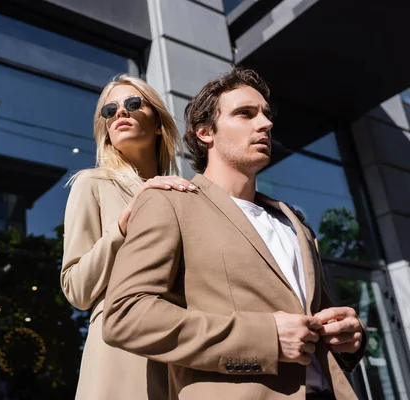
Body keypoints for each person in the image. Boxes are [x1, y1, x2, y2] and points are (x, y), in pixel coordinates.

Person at [102, 68, 367, 400]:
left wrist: (349, 338)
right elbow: (125, 315)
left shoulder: (294, 222)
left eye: (267, 116)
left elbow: (321, 322)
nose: (266, 124)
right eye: (245, 114)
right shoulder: (170, 203)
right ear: (205, 133)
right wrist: (264, 337)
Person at [61, 74, 195, 399]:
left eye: (133, 104)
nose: (120, 113)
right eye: (110, 110)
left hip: (183, 349)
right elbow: (76, 288)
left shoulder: (186, 194)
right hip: (119, 354)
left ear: (159, 124)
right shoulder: (92, 183)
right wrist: (121, 226)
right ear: (105, 127)